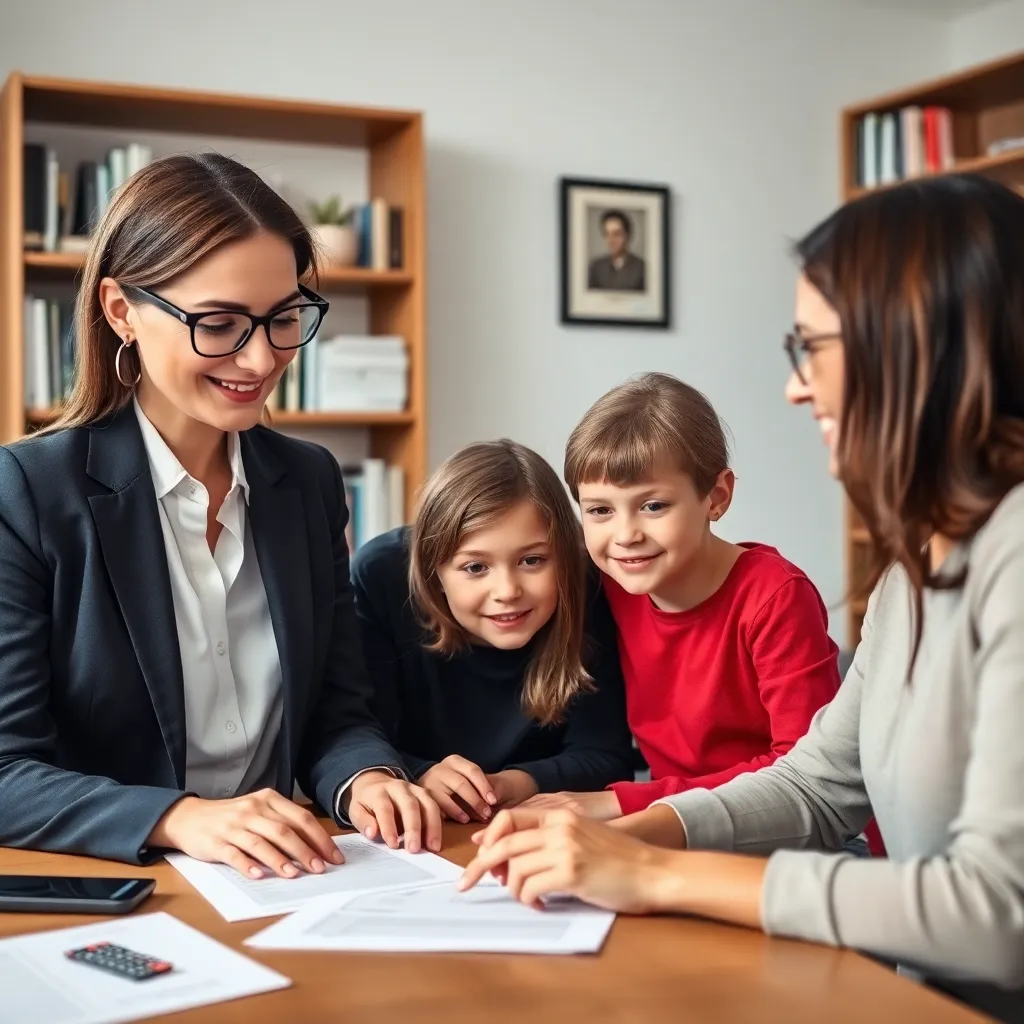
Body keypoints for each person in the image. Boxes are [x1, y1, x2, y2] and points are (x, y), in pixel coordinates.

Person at [460, 174, 1024, 1023]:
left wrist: (654, 873)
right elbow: (818, 783)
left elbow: (996, 915)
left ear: (915, 348)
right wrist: (623, 835)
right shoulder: (915, 566)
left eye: (814, 349)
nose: (798, 388)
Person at [0, 152, 441, 877]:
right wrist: (180, 818)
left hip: (286, 882)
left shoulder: (309, 481)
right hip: (131, 882)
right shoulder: (27, 493)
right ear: (121, 312)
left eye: (283, 318)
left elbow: (338, 712)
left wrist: (367, 779)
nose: (262, 359)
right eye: (221, 322)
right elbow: (7, 771)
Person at [523, 373, 842, 826]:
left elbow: (805, 774)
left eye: (653, 506)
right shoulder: (608, 580)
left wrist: (624, 801)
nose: (626, 535)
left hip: (782, 829)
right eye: (600, 510)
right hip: (672, 821)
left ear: (716, 497)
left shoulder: (775, 597)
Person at [351, 440, 634, 824]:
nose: (508, 592)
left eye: (532, 560)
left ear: (564, 558)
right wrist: (418, 772)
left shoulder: (588, 582)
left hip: (530, 823)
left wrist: (519, 782)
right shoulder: (382, 575)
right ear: (435, 571)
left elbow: (607, 759)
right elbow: (357, 735)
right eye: (475, 568)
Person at [587, 209, 646, 291]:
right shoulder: (596, 267)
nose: (611, 240)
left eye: (616, 234)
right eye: (607, 234)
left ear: (627, 235)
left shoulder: (642, 268)